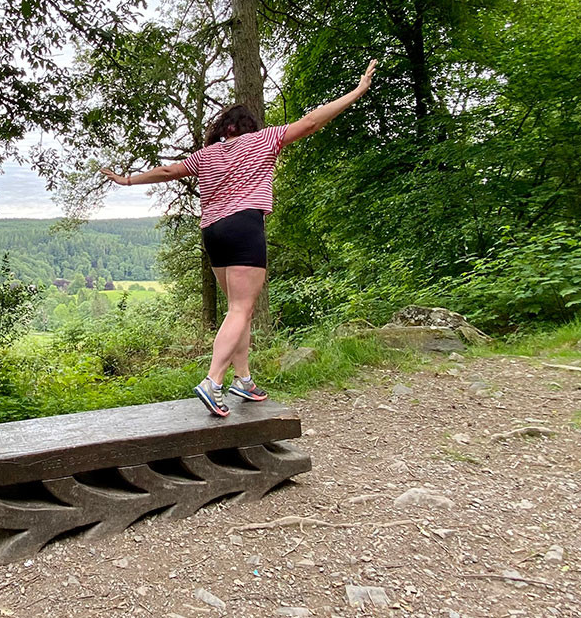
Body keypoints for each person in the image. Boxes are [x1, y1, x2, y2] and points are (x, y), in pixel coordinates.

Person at [102, 59, 378, 416]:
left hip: (213, 232)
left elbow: (169, 170)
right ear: (247, 127)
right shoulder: (264, 140)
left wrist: (127, 180)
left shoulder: (207, 154)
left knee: (238, 311)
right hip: (245, 225)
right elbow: (311, 122)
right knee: (240, 309)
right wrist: (357, 91)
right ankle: (212, 381)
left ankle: (243, 380)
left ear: (224, 128)